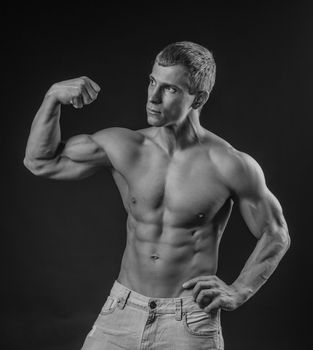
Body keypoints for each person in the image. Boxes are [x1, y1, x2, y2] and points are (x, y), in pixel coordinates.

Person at [23, 41, 290, 350]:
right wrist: (52, 97)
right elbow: (39, 161)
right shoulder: (125, 147)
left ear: (198, 98)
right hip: (122, 311)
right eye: (152, 81)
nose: (152, 97)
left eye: (170, 89)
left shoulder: (230, 164)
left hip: (188, 321)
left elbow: (275, 233)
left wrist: (240, 290)